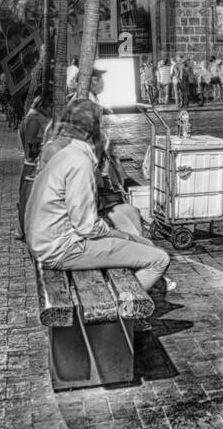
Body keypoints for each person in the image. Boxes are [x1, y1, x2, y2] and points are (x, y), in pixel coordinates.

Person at [25, 99, 171, 296]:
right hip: (60, 249)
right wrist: (121, 236)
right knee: (159, 259)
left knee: (141, 242)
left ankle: (129, 308)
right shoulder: (79, 162)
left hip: (48, 242)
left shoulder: (68, 153)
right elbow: (87, 227)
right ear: (93, 133)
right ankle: (119, 311)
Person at [16, 92, 53, 238]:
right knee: (28, 200)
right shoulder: (34, 117)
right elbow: (31, 147)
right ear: (44, 106)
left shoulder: (35, 115)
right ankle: (24, 230)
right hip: (31, 165)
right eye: (51, 106)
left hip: (32, 164)